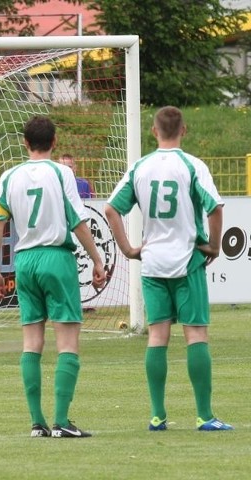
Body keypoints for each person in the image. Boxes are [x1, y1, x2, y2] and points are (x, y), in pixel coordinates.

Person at [105, 106, 233, 432]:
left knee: (157, 338)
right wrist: (215, 246)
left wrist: (129, 249)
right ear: (184, 130)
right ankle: (204, 416)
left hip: (152, 263)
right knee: (196, 335)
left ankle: (157, 416)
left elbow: (110, 209)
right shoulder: (193, 166)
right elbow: (215, 208)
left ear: (153, 131)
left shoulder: (140, 167)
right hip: (187, 259)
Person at [0, 116, 106, 438]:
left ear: (25, 143)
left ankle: (37, 423)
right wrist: (97, 260)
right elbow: (78, 220)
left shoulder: (9, 176)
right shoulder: (61, 172)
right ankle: (62, 422)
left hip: (25, 261)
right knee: (67, 342)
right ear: (54, 143)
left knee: (32, 343)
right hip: (57, 258)